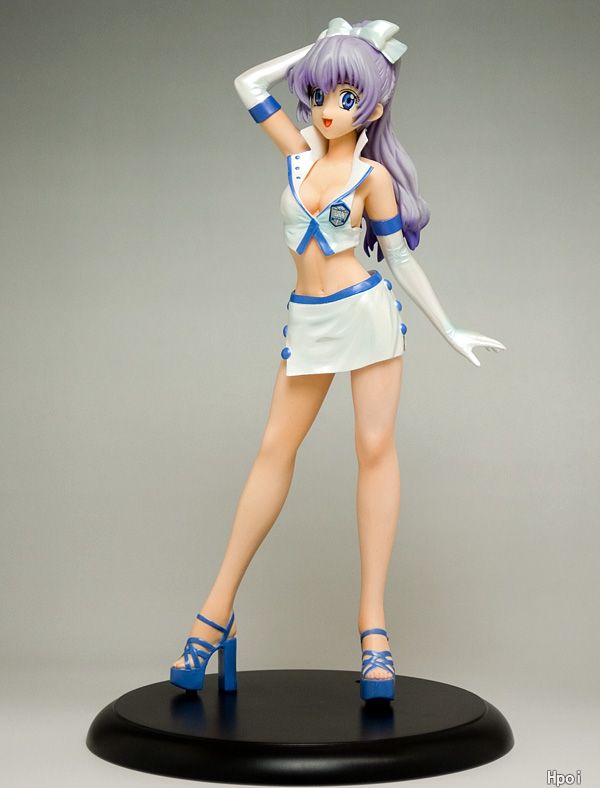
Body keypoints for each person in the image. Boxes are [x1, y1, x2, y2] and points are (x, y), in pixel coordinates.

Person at [169, 17, 505, 701]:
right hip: (309, 320)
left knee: (374, 450)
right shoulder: (296, 153)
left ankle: (373, 629)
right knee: (273, 451)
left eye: (348, 98)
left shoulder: (372, 177)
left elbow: (400, 259)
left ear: (373, 108)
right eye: (321, 94)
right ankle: (217, 609)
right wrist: (326, 48)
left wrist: (449, 328)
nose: (329, 110)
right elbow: (247, 83)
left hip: (367, 314)